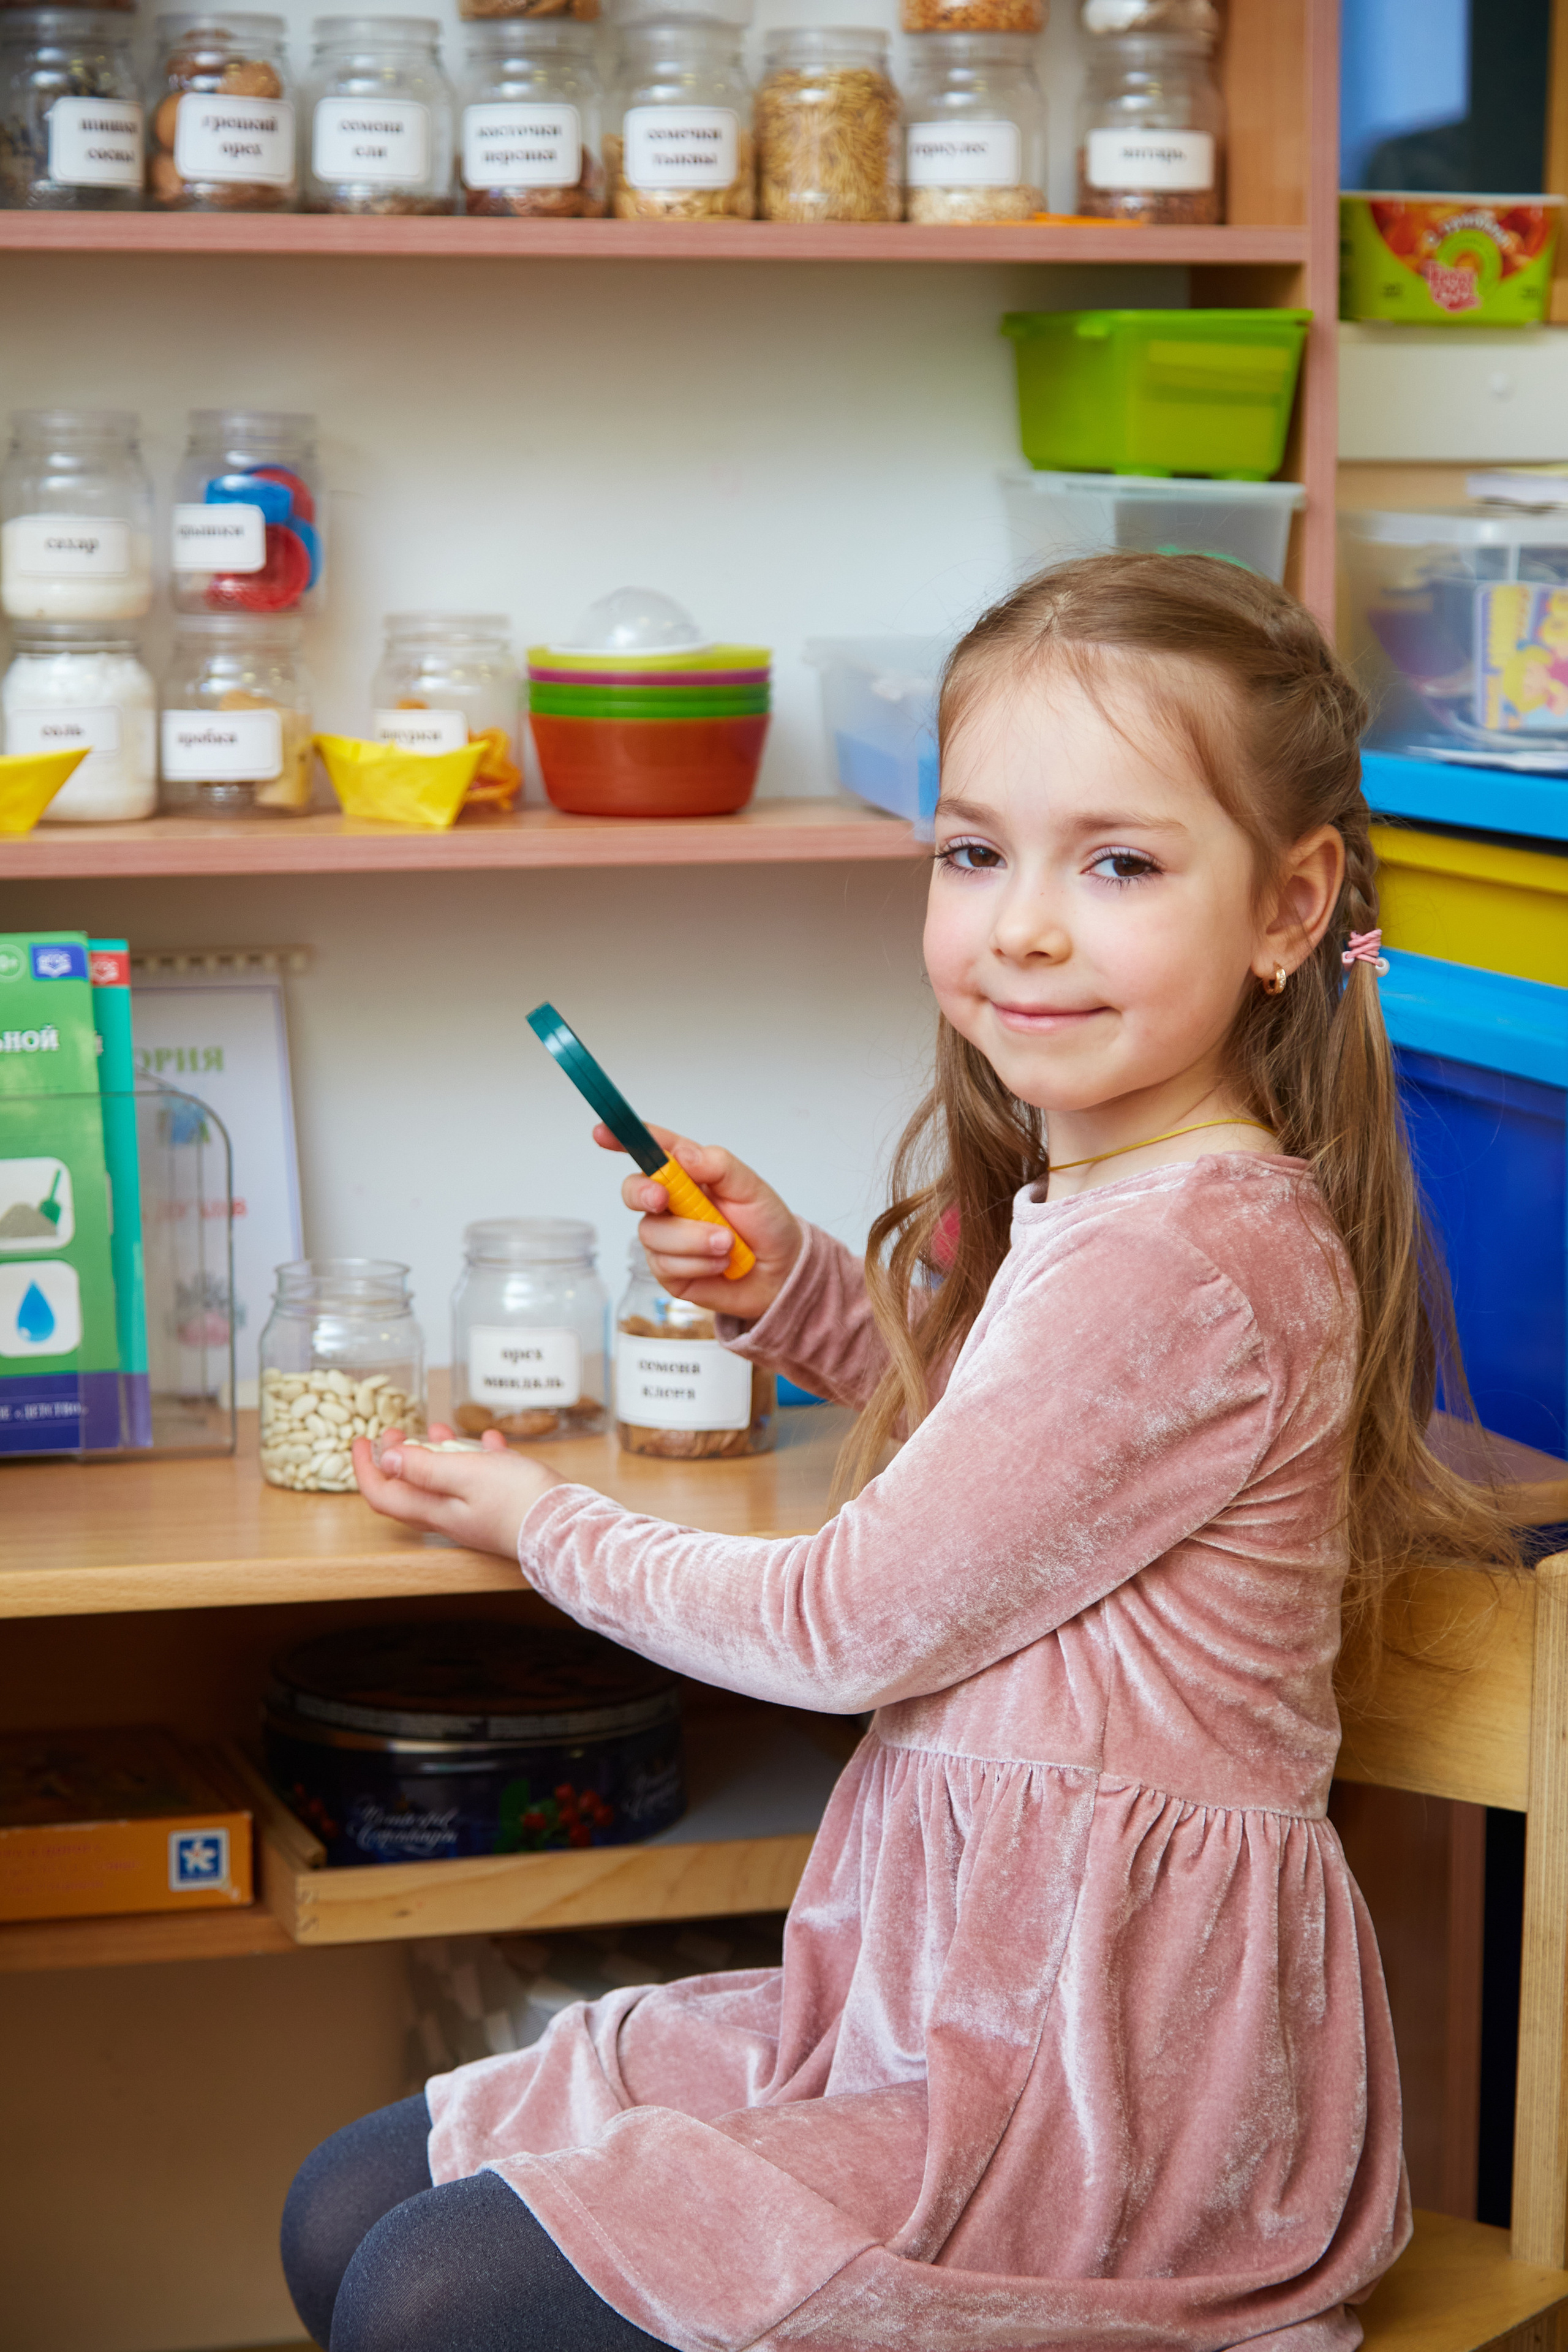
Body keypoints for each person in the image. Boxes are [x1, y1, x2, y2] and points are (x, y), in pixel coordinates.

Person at [281, 554, 1519, 2352]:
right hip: (949, 2000)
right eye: (971, 853)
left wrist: (543, 1520)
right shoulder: (1118, 1205)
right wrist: (799, 1295)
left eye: (1119, 862)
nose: (1019, 924)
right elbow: (1027, 1485)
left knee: (421, 2286)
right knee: (353, 2209)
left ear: (1289, 905)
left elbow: (851, 1622)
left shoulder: (1184, 1248)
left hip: (1103, 2076)